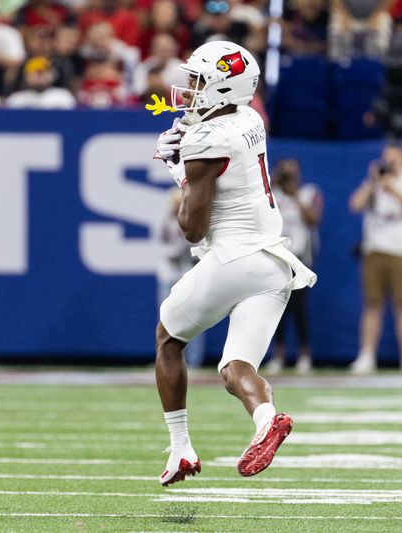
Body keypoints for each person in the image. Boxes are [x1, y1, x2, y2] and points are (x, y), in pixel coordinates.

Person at [153, 41, 316, 486]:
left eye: (198, 80)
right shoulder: (249, 118)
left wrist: (178, 170)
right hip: (274, 263)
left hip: (234, 256)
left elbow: (192, 229)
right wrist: (188, 156)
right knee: (235, 370)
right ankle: (267, 420)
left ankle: (181, 448)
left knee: (169, 339)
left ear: (222, 87)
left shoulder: (208, 138)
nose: (188, 88)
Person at [348, 144, 402, 375]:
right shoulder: (374, 182)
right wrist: (373, 182)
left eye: (393, 160)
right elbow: (355, 205)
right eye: (386, 160)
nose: (389, 165)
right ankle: (366, 355)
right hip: (374, 249)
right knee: (372, 304)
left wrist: (393, 189)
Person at [265, 160, 323, 375]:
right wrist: (272, 181)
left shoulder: (308, 193)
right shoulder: (272, 195)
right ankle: (278, 354)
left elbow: (312, 218)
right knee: (276, 309)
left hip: (298, 258)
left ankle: (304, 354)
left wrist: (295, 193)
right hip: (276, 258)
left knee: (298, 309)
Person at [156, 188, 205, 369]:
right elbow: (163, 247)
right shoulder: (166, 222)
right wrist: (176, 251)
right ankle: (167, 359)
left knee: (193, 319)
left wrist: (183, 250)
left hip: (188, 275)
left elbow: (198, 248)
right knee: (166, 320)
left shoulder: (193, 223)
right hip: (169, 273)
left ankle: (193, 361)